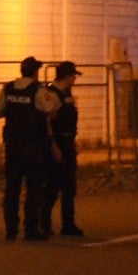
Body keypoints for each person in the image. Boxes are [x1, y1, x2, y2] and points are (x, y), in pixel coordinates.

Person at [0, 56, 60, 241]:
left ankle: (11, 229)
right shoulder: (38, 90)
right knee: (34, 187)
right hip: (33, 146)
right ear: (35, 72)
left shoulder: (8, 88)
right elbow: (50, 112)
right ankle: (31, 229)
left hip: (13, 146)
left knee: (12, 188)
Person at [43, 61, 84, 236]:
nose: (75, 78)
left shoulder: (66, 93)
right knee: (53, 185)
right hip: (57, 144)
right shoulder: (52, 94)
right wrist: (54, 146)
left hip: (67, 142)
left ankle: (68, 223)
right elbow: (48, 122)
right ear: (67, 76)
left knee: (68, 186)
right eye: (73, 75)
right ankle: (43, 221)